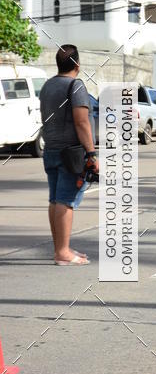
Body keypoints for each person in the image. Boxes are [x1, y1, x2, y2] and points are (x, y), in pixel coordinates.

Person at [39, 45, 98, 265]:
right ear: (77, 65)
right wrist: (91, 154)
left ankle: (60, 249)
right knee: (66, 201)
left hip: (51, 149)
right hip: (71, 153)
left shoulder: (47, 86)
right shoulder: (76, 85)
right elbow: (81, 121)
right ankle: (63, 253)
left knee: (55, 200)